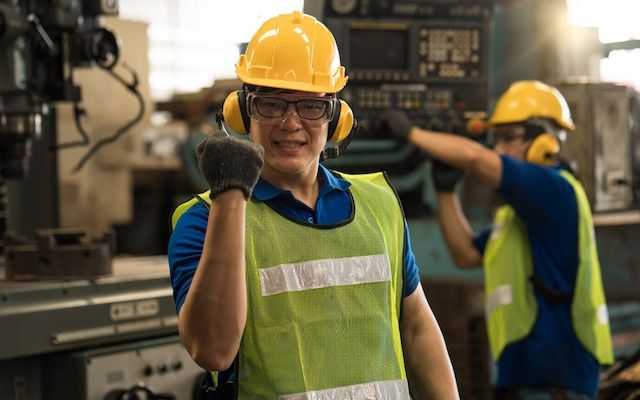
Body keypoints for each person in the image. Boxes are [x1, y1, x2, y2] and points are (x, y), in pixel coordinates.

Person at [168, 11, 459, 399]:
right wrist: (231, 197)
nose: (291, 123)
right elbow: (213, 351)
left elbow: (418, 326)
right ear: (242, 111)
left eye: (311, 106)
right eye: (271, 105)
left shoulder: (379, 205)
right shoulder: (204, 219)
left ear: (336, 117)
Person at [378, 80, 613, 400]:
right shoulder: (516, 217)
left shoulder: (556, 189)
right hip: (524, 378)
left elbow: (476, 159)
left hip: (557, 381)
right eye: (496, 139)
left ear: (544, 139)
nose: (499, 150)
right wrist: (446, 192)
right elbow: (466, 254)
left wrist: (412, 134)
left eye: (509, 138)